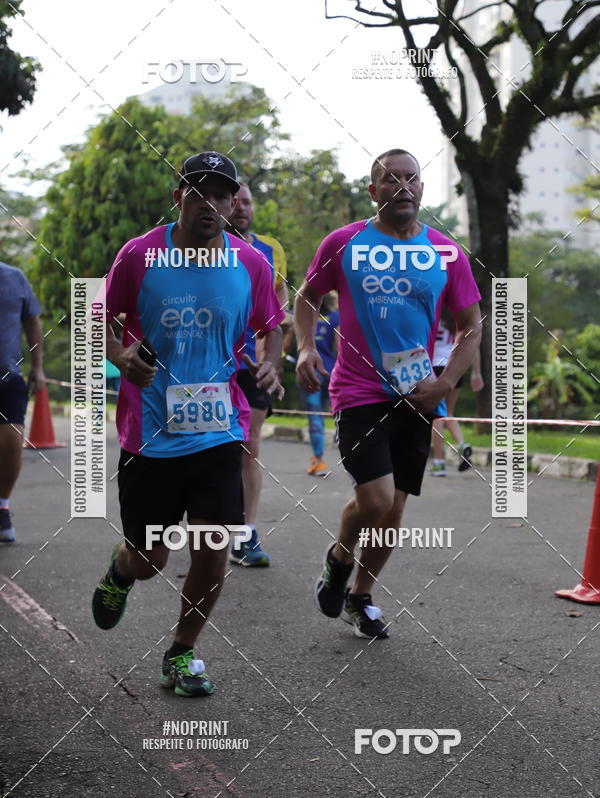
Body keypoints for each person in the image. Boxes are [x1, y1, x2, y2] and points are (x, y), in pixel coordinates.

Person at [91, 152, 284, 696]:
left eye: (222, 195)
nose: (211, 204)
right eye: (199, 193)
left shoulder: (250, 263)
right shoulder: (139, 255)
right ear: (178, 198)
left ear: (232, 203)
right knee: (151, 559)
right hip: (149, 435)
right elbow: (99, 319)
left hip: (219, 431)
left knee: (212, 545)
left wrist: (270, 361)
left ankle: (182, 651)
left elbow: (274, 323)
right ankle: (121, 571)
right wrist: (120, 355)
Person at [295, 149, 481, 640]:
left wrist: (444, 383)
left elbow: (471, 327)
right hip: (358, 391)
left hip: (419, 394)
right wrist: (304, 349)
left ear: (421, 189)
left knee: (394, 509)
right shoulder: (344, 242)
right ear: (372, 190)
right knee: (374, 499)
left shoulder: (446, 252)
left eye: (411, 178)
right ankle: (339, 557)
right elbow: (307, 297)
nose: (402, 186)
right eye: (390, 179)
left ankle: (360, 596)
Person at [226, 182, 288, 567]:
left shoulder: (270, 250)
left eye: (247, 202)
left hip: (251, 366)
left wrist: (271, 366)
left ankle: (245, 533)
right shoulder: (199, 248)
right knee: (216, 451)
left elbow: (277, 316)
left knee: (249, 447)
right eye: (235, 203)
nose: (241, 209)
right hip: (211, 366)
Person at [0, 261, 45, 543]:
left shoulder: (15, 278)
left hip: (8, 378)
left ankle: (2, 506)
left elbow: (32, 322)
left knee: (12, 442)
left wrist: (37, 367)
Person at [429, 318, 484, 476]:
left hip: (435, 366)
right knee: (448, 412)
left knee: (437, 416)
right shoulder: (458, 318)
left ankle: (439, 463)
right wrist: (476, 372)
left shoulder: (434, 315)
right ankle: (462, 444)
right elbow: (473, 345)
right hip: (455, 366)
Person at [298, 293, 339, 476]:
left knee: (315, 415)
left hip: (310, 370)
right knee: (328, 411)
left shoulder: (305, 314)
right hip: (329, 371)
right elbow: (338, 348)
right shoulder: (337, 318)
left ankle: (319, 459)